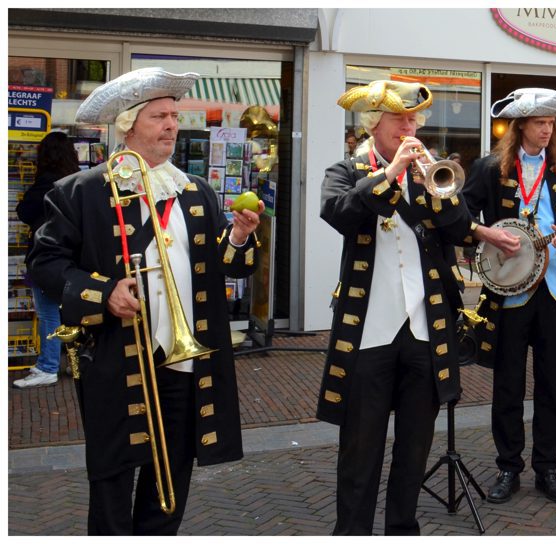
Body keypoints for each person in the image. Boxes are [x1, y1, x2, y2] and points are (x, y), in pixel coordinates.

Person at [27, 67, 264, 535]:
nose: (172, 125)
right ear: (129, 125)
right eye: (160, 116)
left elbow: (224, 266)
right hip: (117, 358)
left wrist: (236, 238)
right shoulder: (82, 191)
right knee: (113, 474)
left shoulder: (195, 192)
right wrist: (103, 292)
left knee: (172, 471)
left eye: (175, 115)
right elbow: (45, 263)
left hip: (182, 361)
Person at [319, 80, 469, 535]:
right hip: (369, 334)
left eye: (414, 120)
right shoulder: (346, 169)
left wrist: (436, 191)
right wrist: (387, 177)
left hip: (424, 332)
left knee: (414, 450)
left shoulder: (429, 174)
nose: (411, 127)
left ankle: (402, 529)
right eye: (401, 120)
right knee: (360, 450)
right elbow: (339, 213)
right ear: (374, 124)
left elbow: (459, 230)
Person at [462, 88, 556, 505]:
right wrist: (485, 239)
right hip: (509, 294)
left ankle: (547, 469)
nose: (547, 129)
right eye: (539, 122)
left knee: (553, 385)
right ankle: (507, 467)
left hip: (554, 291)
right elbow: (463, 215)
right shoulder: (488, 169)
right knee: (508, 385)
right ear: (521, 127)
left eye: (551, 123)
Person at [13, 132, 80, 388]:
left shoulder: (46, 183)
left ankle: (47, 366)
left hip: (47, 256)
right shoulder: (75, 179)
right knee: (70, 313)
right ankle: (75, 364)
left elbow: (24, 211)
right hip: (71, 256)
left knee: (48, 313)